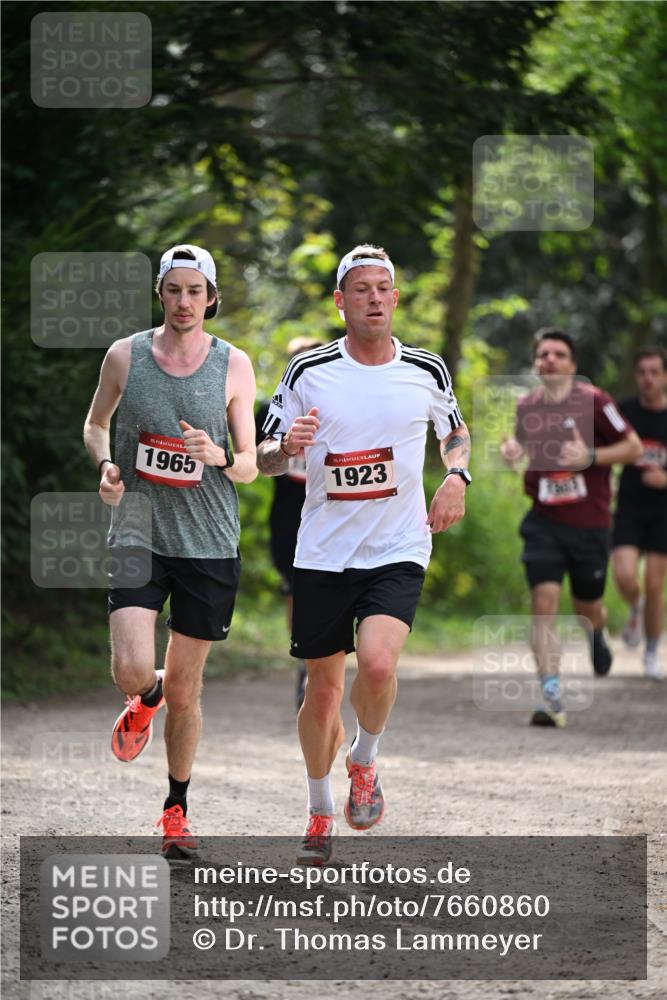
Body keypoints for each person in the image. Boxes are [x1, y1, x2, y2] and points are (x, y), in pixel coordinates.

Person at [257, 244, 470, 865]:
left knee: (376, 665)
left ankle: (365, 760)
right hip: (324, 551)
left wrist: (456, 477)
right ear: (341, 301)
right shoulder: (308, 373)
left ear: (395, 299)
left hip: (398, 545)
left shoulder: (426, 370)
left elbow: (454, 431)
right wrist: (285, 447)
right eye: (362, 289)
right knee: (322, 693)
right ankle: (319, 808)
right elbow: (267, 454)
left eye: (384, 288)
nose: (374, 298)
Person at [83, 244, 257, 857]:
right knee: (131, 671)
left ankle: (176, 812)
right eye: (173, 289)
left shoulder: (234, 365)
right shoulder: (125, 356)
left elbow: (251, 467)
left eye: (195, 291)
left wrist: (221, 457)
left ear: (212, 297)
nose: (184, 302)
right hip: (137, 530)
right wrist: (106, 464)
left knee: (189, 691)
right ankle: (145, 694)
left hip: (208, 543)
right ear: (161, 293)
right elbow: (96, 422)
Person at [501, 328, 642, 729]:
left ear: (573, 365)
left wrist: (591, 456)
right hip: (544, 522)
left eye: (558, 354)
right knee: (543, 603)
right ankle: (551, 696)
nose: (549, 360)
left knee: (587, 606)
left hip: (590, 525)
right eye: (542, 354)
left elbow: (632, 448)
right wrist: (512, 449)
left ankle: (596, 632)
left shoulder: (596, 402)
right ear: (535, 364)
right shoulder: (528, 406)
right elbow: (524, 443)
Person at [255, 337, 324, 711]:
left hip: (333, 517)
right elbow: (257, 461)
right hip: (288, 519)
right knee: (295, 593)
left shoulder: (340, 404)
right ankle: (303, 660)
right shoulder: (271, 409)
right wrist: (282, 449)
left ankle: (320, 661)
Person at [611, 346, 667, 680]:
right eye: (642, 372)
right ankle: (636, 606)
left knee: (655, 582)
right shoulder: (625, 410)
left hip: (663, 510)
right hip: (630, 504)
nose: (647, 378)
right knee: (625, 575)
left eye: (654, 372)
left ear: (664, 376)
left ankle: (650, 653)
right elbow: (605, 445)